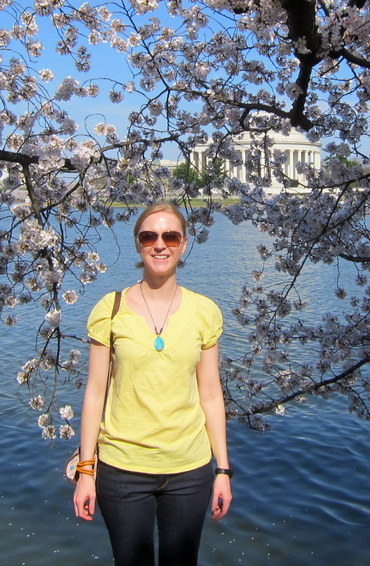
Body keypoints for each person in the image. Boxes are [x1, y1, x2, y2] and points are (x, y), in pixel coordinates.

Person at [73, 202, 233, 566]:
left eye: (170, 236)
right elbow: (95, 392)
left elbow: (210, 394)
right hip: (122, 469)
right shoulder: (109, 309)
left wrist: (222, 470)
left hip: (189, 471)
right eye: (150, 236)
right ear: (138, 244)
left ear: (184, 243)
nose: (160, 245)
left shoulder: (204, 312)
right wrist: (86, 470)